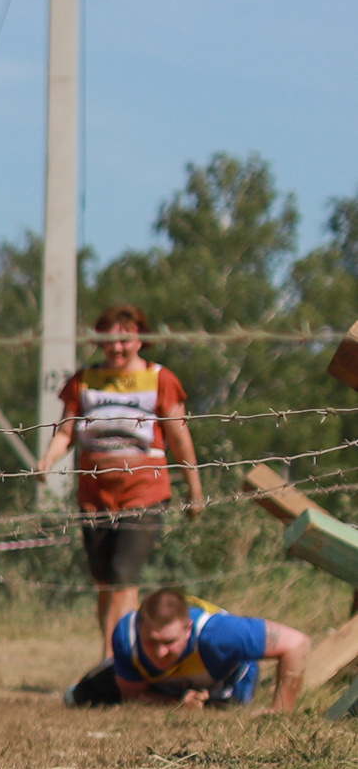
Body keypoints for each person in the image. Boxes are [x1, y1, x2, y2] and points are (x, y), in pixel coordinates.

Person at [37, 303, 206, 660]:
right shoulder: (83, 381)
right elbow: (66, 431)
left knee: (123, 576)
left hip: (145, 490)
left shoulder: (161, 379)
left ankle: (115, 660)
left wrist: (195, 488)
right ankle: (114, 652)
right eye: (109, 341)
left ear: (140, 340)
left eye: (124, 341)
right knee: (103, 581)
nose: (116, 348)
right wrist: (48, 460)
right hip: (94, 495)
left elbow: (179, 437)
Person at [64, 587, 309, 713]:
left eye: (169, 642)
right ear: (139, 628)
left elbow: (297, 643)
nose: (160, 652)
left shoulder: (222, 634)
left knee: (224, 711)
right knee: (76, 697)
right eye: (151, 641)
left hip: (227, 685)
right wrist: (177, 702)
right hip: (166, 686)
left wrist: (280, 712)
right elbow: (132, 694)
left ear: (188, 629)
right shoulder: (126, 636)